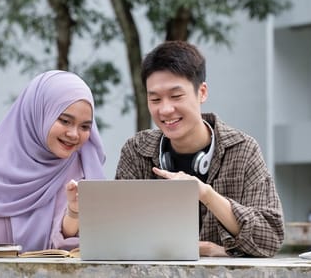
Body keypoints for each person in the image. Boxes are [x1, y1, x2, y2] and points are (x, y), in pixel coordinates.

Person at [115, 41, 284, 257]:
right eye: (155, 99)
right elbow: (120, 233)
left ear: (202, 92)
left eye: (176, 96)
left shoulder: (243, 150)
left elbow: (270, 237)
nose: (165, 109)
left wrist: (206, 194)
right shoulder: (136, 151)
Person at [0, 70, 106, 252]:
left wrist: (74, 212)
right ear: (38, 113)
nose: (74, 134)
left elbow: (78, 247)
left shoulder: (82, 168)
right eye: (65, 121)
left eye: (85, 127)